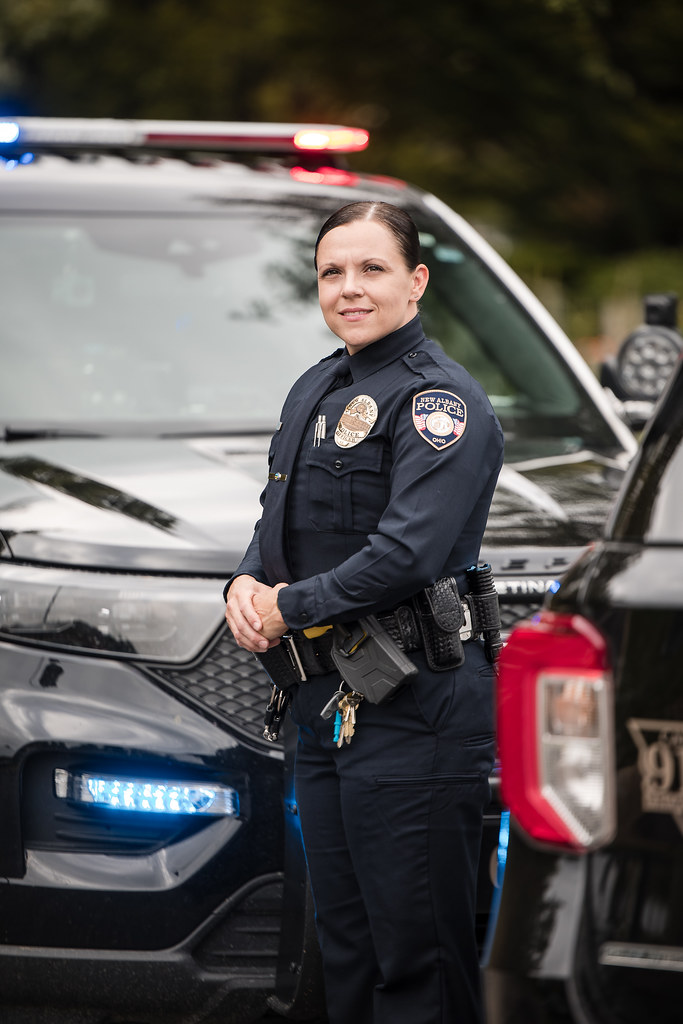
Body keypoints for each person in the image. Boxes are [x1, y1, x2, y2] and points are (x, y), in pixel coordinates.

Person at [224, 200, 504, 1024]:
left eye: (371, 269)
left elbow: (405, 555)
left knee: (413, 954)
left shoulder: (438, 404)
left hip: (413, 706)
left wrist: (285, 608)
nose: (349, 288)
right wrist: (244, 585)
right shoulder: (318, 384)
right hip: (324, 705)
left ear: (415, 282)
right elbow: (279, 517)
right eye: (332, 272)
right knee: (343, 943)